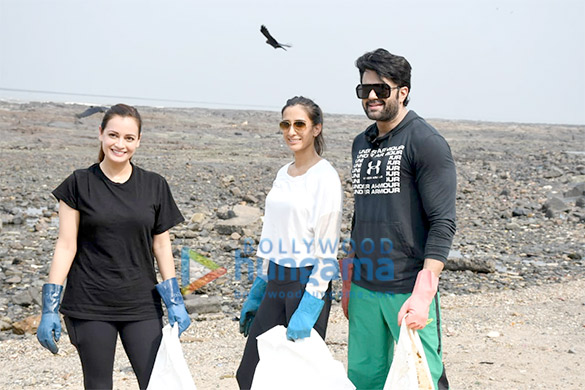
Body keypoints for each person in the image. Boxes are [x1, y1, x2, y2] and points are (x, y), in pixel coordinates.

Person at [36, 103, 191, 390]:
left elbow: (161, 246)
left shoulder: (155, 185)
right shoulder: (78, 183)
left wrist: (175, 301)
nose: (120, 144)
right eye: (113, 135)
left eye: (129, 138)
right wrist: (49, 308)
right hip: (89, 305)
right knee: (98, 386)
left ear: (139, 141)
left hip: (141, 304)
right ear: (101, 134)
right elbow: (66, 245)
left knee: (156, 383)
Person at [343, 48, 456, 389]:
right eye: (365, 89)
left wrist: (424, 291)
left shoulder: (426, 142)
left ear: (403, 92)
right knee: (363, 379)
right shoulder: (360, 143)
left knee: (422, 379)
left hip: (406, 287)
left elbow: (443, 222)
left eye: (382, 89)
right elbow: (360, 215)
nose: (372, 96)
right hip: (364, 285)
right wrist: (348, 279)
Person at [236, 96, 343, 389]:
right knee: (250, 374)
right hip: (276, 282)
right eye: (286, 124)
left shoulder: (325, 177)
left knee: (300, 378)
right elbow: (272, 234)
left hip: (305, 283)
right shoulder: (283, 173)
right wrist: (259, 288)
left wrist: (309, 306)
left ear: (316, 129)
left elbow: (327, 250)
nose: (291, 131)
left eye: (300, 124)